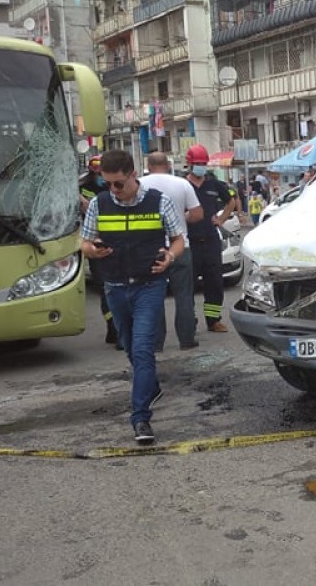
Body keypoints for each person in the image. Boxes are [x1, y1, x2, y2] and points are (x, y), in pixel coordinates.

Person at [80, 149, 185, 445]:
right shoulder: (99, 204)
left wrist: (169, 257)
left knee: (142, 349)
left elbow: (179, 240)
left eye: (118, 183)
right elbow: (84, 243)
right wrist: (93, 250)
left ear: (133, 175)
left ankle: (140, 418)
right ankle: (151, 387)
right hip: (114, 287)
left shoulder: (159, 202)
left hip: (149, 285)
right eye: (107, 183)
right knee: (129, 345)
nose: (113, 189)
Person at [140, 151, 203, 351]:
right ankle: (186, 339)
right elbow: (197, 214)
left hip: (151, 249)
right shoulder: (183, 184)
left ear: (149, 166)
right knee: (184, 295)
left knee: (154, 296)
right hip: (181, 246)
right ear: (167, 165)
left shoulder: (140, 185)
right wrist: (180, 219)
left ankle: (157, 342)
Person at [185, 145, 237, 333]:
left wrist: (221, 219)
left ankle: (213, 320)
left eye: (203, 163)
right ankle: (189, 320)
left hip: (211, 241)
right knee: (187, 284)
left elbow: (231, 201)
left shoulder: (214, 185)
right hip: (189, 242)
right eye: (197, 163)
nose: (200, 167)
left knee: (214, 282)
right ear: (189, 164)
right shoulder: (182, 185)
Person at [79, 155, 119, 347]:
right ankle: (113, 327)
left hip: (114, 241)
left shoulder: (114, 187)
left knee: (113, 287)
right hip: (96, 241)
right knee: (105, 287)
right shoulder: (84, 188)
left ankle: (116, 328)